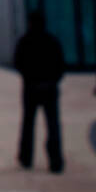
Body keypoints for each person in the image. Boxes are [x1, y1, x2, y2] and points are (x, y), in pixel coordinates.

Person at [14, 11, 65, 173]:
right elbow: (61, 65)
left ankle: (26, 157)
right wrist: (53, 80)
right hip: (50, 87)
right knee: (53, 124)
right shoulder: (52, 41)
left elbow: (18, 62)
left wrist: (29, 77)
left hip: (31, 87)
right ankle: (55, 160)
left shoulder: (25, 41)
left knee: (28, 122)